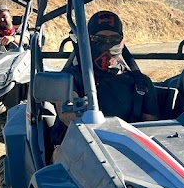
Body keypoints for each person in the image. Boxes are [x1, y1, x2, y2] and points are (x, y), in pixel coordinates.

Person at [53, 11, 159, 147]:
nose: (108, 44)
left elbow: (151, 129)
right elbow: (67, 117)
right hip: (79, 147)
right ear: (88, 40)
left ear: (121, 41)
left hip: (127, 149)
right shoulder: (70, 77)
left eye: (114, 39)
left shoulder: (141, 83)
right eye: (99, 39)